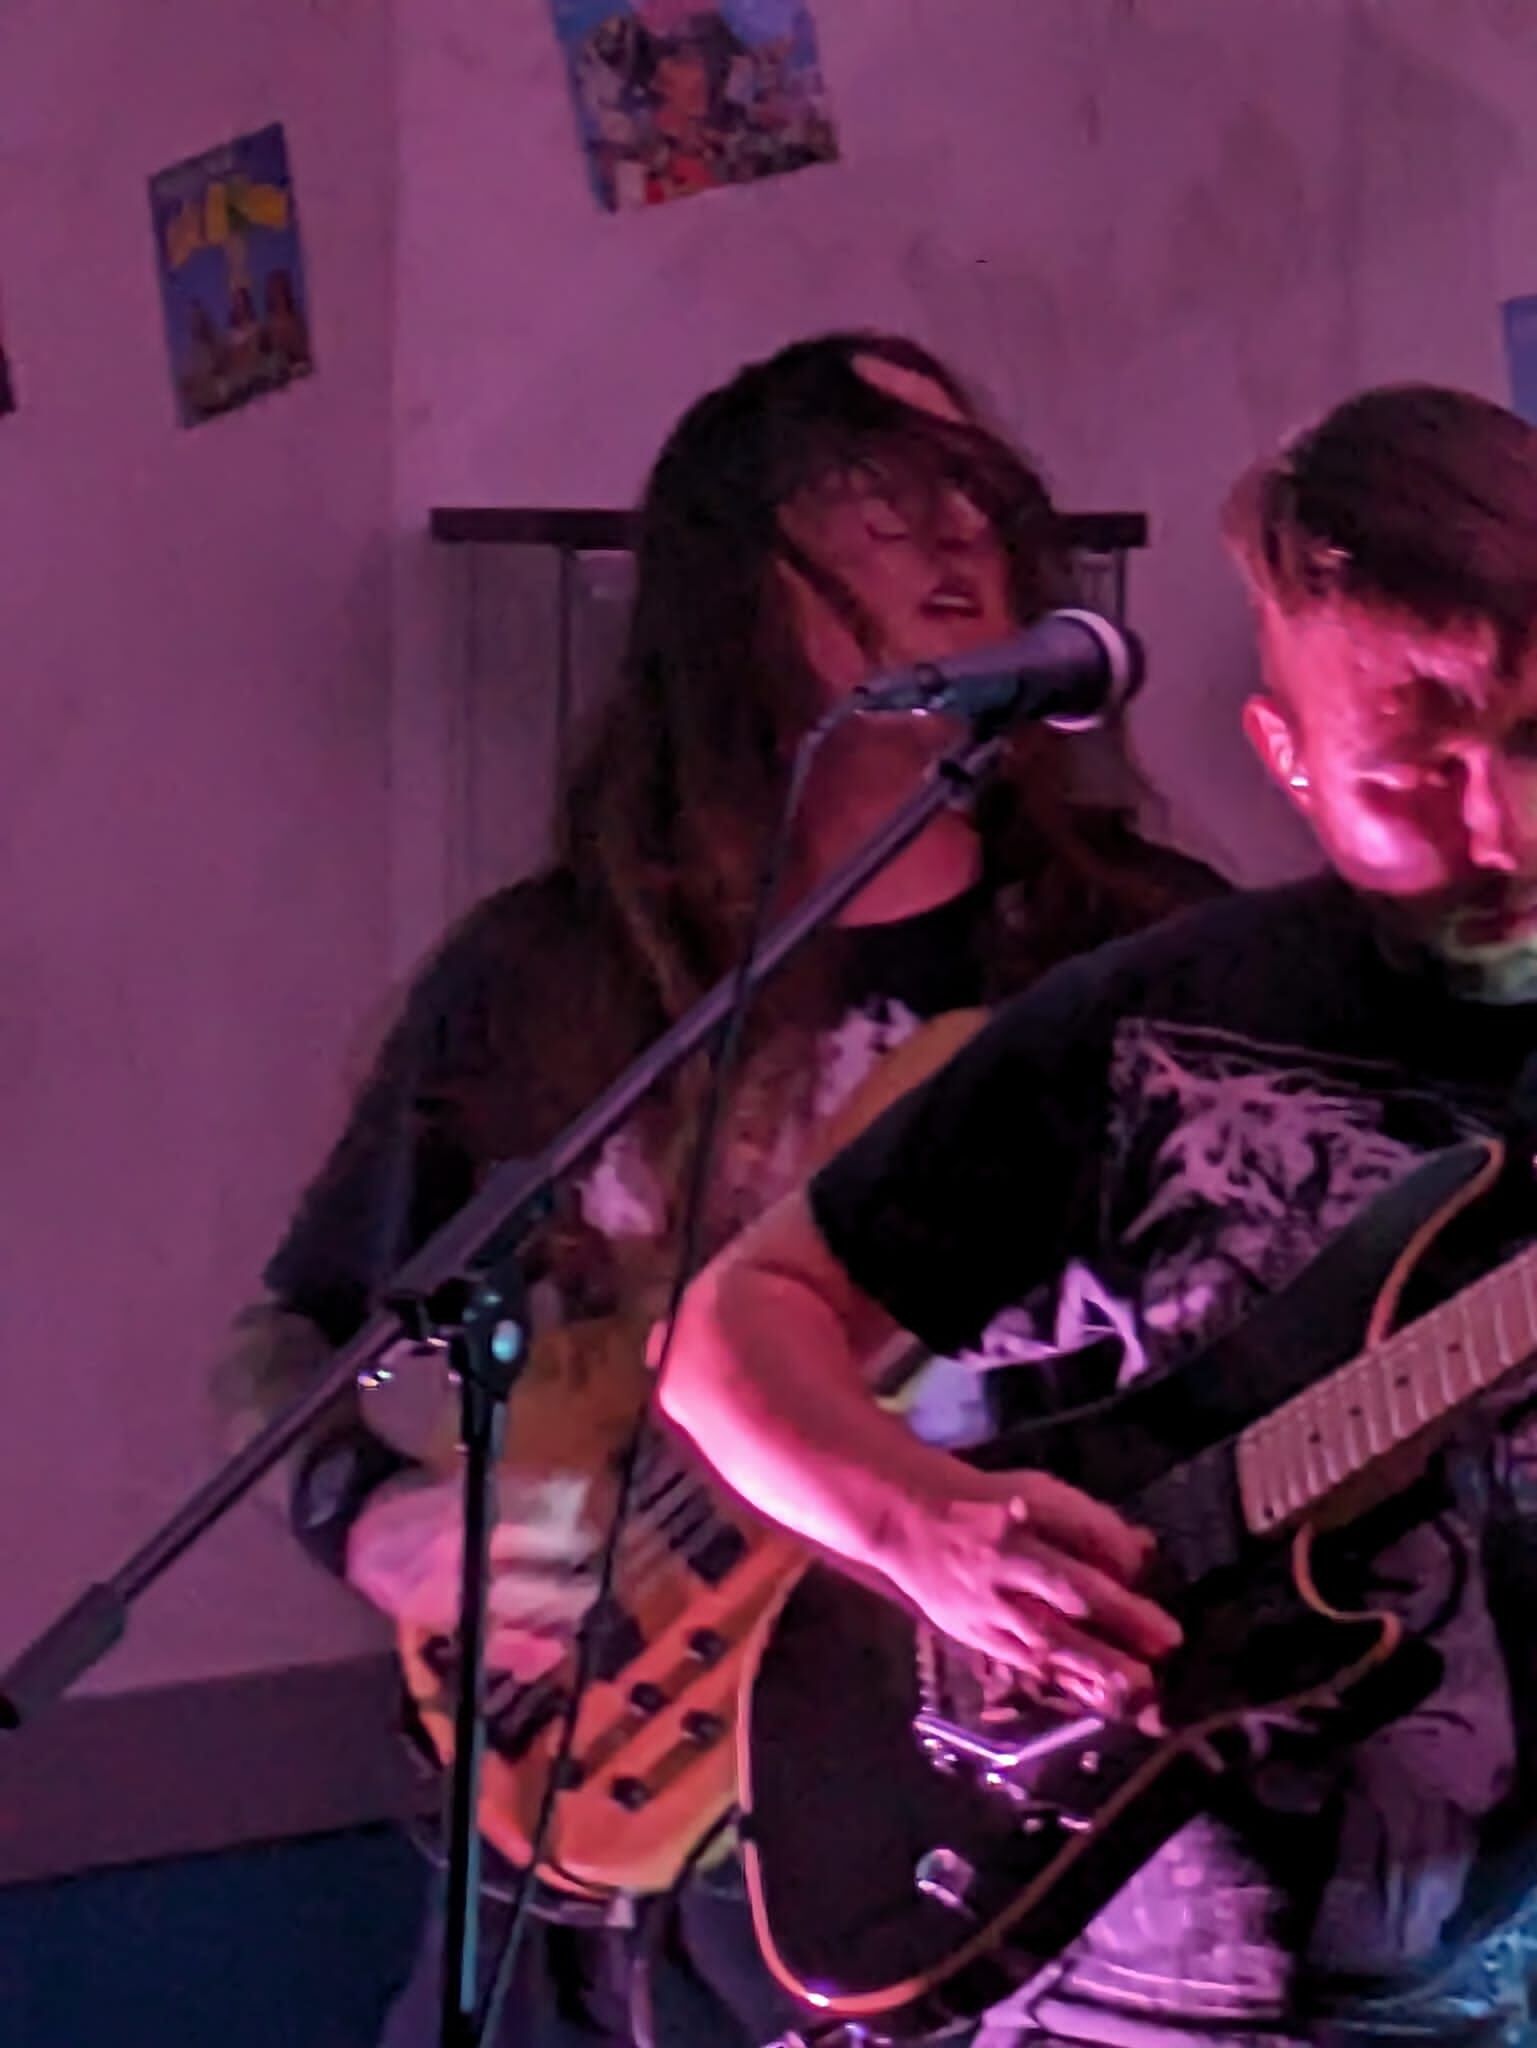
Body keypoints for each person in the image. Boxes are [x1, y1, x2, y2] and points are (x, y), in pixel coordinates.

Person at [215, 328, 1221, 2047]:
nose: (947, 535)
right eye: (864, 494)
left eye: (971, 490)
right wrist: (375, 1524)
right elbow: (302, 1338)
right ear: (734, 581)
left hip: (958, 1814)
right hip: (568, 1852)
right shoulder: (551, 975)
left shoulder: (1139, 954)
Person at [661, 381, 1537, 2046]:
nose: (1496, 828)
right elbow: (732, 1336)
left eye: (1535, 743)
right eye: (1410, 775)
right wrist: (916, 1526)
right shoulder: (1160, 1018)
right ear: (1285, 760)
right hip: (1146, 1980)